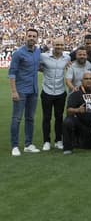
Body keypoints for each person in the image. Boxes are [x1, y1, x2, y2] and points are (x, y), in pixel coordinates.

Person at [9, 28, 42, 156]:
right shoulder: (18, 53)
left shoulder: (38, 52)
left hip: (33, 90)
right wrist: (13, 91)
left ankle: (28, 144)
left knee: (30, 118)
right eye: (30, 36)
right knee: (16, 118)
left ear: (37, 38)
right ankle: (15, 146)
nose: (32, 38)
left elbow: (38, 67)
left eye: (34, 36)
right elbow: (12, 73)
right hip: (21, 90)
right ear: (25, 37)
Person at [39, 36, 70, 151]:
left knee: (59, 118)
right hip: (47, 91)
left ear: (64, 46)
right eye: (57, 45)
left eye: (61, 45)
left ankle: (58, 140)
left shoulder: (67, 58)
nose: (59, 47)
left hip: (60, 92)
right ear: (52, 45)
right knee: (46, 118)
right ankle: (46, 141)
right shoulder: (43, 56)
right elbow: (36, 65)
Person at [62, 72, 91, 154]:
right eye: (86, 79)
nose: (88, 81)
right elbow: (68, 110)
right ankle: (67, 148)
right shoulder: (76, 93)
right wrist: (77, 110)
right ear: (81, 81)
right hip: (82, 125)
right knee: (68, 121)